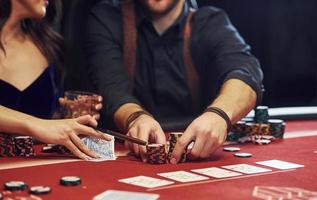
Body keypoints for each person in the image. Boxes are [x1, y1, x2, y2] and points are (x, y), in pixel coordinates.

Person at [86, 0, 263, 163]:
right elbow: (111, 89)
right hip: (125, 158)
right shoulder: (107, 18)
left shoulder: (210, 22)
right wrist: (135, 118)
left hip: (194, 157)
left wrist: (219, 114)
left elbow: (246, 72)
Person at [0, 0, 111, 160]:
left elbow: (48, 120)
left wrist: (68, 116)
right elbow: (43, 125)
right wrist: (38, 125)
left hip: (37, 163)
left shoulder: (49, 44)